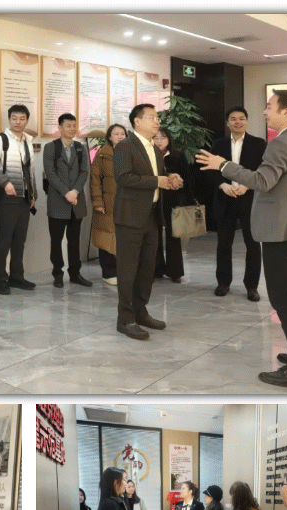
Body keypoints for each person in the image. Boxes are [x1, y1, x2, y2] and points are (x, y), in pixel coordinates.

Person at [196, 90, 287, 388]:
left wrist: (223, 165)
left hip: (283, 232)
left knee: (285, 299)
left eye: (270, 107)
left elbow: (262, 181)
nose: (265, 112)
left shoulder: (281, 143)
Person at [113, 103, 182, 341]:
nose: (157, 122)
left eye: (157, 118)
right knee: (128, 269)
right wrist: (157, 181)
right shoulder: (125, 146)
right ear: (137, 121)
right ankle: (125, 319)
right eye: (152, 117)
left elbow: (156, 176)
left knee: (147, 268)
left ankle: (141, 312)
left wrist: (169, 178)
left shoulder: (154, 148)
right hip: (130, 216)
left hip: (152, 215)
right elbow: (124, 178)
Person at [205, 107, 267, 301]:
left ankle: (252, 287)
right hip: (225, 198)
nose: (237, 122)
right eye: (233, 119)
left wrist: (247, 186)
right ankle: (223, 283)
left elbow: (262, 170)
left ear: (247, 121)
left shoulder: (259, 144)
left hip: (250, 199)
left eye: (241, 118)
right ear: (228, 123)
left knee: (253, 244)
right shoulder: (219, 144)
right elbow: (209, 169)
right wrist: (223, 185)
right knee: (224, 243)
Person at [0, 104, 37, 295]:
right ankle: (0, 279)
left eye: (22, 119)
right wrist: (5, 182)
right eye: (14, 118)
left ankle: (17, 276)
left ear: (27, 120)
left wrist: (33, 195)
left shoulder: (27, 141)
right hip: (7, 198)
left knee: (19, 241)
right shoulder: (0, 139)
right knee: (4, 240)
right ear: (9, 119)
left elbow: (30, 171)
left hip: (24, 199)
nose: (18, 122)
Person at [43, 113, 91, 287]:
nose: (72, 129)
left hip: (76, 202)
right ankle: (57, 273)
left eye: (74, 126)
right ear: (60, 128)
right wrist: (66, 193)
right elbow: (50, 174)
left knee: (74, 240)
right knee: (56, 241)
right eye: (68, 126)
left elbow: (84, 172)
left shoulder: (80, 148)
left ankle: (75, 273)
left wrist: (75, 191)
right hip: (58, 201)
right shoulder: (51, 147)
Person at [90, 124, 126, 285]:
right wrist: (98, 201)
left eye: (122, 133)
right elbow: (95, 180)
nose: (120, 136)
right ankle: (109, 272)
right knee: (106, 236)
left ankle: (123, 270)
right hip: (107, 203)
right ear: (109, 137)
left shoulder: (131, 153)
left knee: (124, 238)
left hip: (126, 203)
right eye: (116, 133)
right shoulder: (102, 154)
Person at [153, 127, 190, 282]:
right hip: (154, 200)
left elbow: (187, 179)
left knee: (173, 236)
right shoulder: (149, 155)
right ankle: (157, 269)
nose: (159, 141)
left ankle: (175, 272)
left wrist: (178, 184)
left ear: (169, 139)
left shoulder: (177, 156)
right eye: (156, 138)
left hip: (172, 200)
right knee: (154, 235)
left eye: (163, 137)